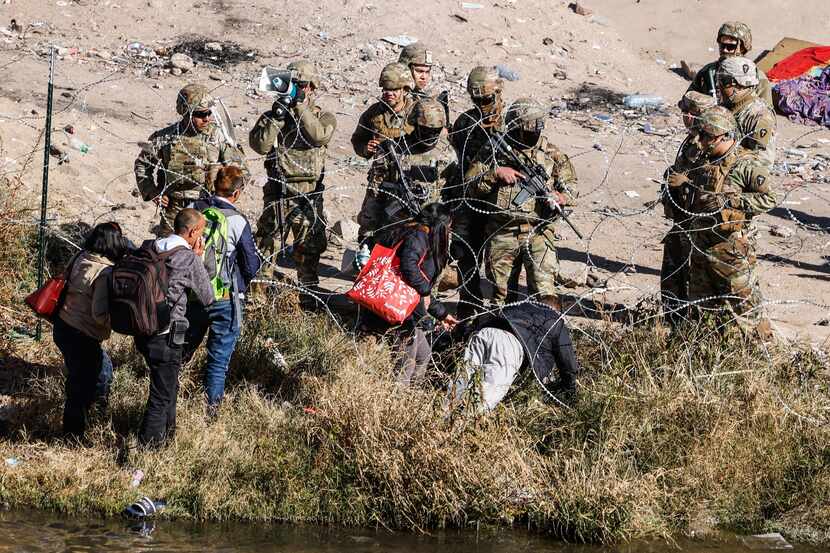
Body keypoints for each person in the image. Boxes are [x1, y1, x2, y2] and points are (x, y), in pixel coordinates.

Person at [671, 107, 776, 338]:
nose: (701, 141)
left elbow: (770, 197)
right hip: (701, 247)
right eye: (701, 134)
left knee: (747, 312)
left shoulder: (745, 165)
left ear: (726, 136)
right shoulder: (704, 161)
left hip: (730, 250)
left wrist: (731, 201)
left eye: (708, 136)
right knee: (702, 312)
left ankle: (766, 356)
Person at [465, 97, 578, 309]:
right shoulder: (494, 151)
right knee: (501, 297)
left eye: (536, 129)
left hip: (539, 231)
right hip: (502, 232)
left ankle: (543, 337)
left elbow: (571, 185)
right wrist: (495, 174)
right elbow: (469, 186)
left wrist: (560, 196)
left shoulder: (551, 153)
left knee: (545, 295)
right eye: (527, 130)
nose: (533, 134)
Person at [249, 60, 336, 297]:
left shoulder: (324, 117)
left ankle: (309, 301)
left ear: (312, 88)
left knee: (308, 253)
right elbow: (259, 145)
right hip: (278, 194)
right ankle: (258, 300)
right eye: (292, 84)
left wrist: (298, 106)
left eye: (302, 85)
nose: (296, 89)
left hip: (306, 196)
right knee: (267, 249)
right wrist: (277, 118)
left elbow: (318, 136)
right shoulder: (274, 116)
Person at [184, 166, 261, 415]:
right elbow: (251, 264)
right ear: (236, 194)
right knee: (218, 360)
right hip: (225, 297)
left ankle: (170, 394)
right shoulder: (237, 221)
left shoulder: (197, 210)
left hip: (195, 293)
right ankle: (211, 411)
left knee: (183, 349)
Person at [136, 208, 215, 447]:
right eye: (201, 231)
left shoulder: (150, 246)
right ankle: (149, 448)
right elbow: (207, 296)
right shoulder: (188, 258)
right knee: (161, 395)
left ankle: (168, 437)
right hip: (167, 333)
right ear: (193, 232)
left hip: (142, 327)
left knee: (167, 384)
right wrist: (198, 260)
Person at [135, 83, 248, 237]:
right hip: (174, 207)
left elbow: (241, 171)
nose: (206, 119)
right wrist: (153, 192)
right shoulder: (166, 137)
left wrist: (225, 197)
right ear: (186, 112)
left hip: (207, 206)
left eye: (209, 113)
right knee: (168, 251)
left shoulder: (218, 137)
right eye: (200, 114)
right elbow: (142, 164)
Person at [52, 222, 129, 438]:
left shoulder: (81, 257)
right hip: (81, 333)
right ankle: (74, 433)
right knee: (82, 383)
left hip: (63, 325)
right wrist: (115, 324)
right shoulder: (104, 272)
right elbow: (98, 313)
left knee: (93, 373)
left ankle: (91, 417)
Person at [447, 65, 507, 318]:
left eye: (487, 99)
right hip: (469, 201)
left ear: (499, 92)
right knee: (467, 256)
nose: (483, 105)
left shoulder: (512, 122)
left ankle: (502, 311)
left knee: (500, 261)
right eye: (477, 100)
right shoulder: (465, 122)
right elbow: (458, 160)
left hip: (500, 203)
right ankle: (469, 305)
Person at [377, 203, 458, 385]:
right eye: (448, 228)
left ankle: (410, 401)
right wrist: (426, 291)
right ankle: (396, 405)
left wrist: (443, 314)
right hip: (402, 311)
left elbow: (421, 291)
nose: (449, 233)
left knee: (423, 356)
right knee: (407, 362)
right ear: (440, 225)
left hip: (409, 309)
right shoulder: (419, 236)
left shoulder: (421, 236)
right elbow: (409, 267)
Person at [449, 300, 579, 412]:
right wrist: (570, 390)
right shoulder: (554, 319)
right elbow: (566, 358)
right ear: (557, 312)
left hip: (484, 333)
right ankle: (463, 426)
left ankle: (443, 417)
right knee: (489, 395)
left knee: (462, 380)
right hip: (509, 344)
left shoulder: (520, 306)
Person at [661, 91, 717, 327]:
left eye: (686, 112)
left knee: (693, 280)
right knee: (672, 278)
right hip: (682, 218)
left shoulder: (710, 144)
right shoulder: (691, 141)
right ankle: (674, 323)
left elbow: (717, 186)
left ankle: (690, 326)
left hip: (697, 224)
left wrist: (686, 182)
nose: (683, 117)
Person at [351, 63, 418, 245]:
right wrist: (367, 148)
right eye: (386, 89)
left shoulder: (417, 113)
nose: (389, 93)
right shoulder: (374, 113)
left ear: (405, 90)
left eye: (394, 89)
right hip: (379, 181)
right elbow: (358, 139)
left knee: (403, 231)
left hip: (406, 182)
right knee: (368, 229)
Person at [372, 98, 454, 243]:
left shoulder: (447, 152)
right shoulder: (394, 149)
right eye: (426, 130)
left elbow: (455, 194)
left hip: (431, 226)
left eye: (435, 131)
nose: (430, 135)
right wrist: (367, 229)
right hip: (395, 225)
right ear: (414, 125)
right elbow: (375, 191)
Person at [686, 21, 773, 109]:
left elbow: (767, 114)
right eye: (722, 45)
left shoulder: (758, 77)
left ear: (743, 48)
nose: (725, 50)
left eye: (730, 47)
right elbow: (687, 99)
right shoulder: (708, 71)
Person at [717, 57, 777, 166]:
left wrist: (724, 150)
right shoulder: (728, 106)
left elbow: (763, 161)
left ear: (740, 84)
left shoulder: (759, 115)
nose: (719, 86)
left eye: (724, 81)